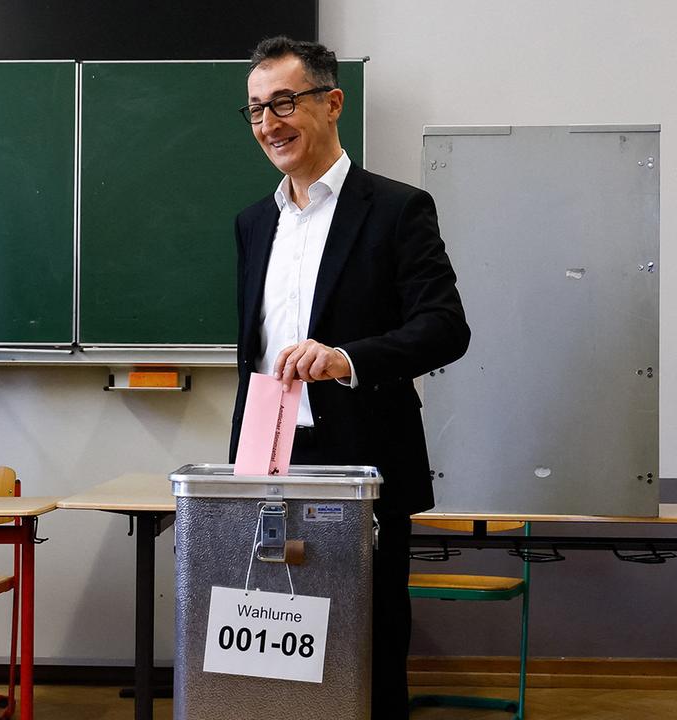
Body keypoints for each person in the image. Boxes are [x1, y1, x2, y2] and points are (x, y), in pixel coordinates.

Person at [229, 36, 469, 719]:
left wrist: (346, 359)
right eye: (254, 110)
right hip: (266, 466)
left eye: (284, 102)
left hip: (361, 466)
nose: (269, 124)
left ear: (332, 103)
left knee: (365, 649)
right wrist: (240, 469)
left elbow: (446, 327)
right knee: (272, 653)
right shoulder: (252, 225)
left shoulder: (396, 210)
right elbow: (255, 355)